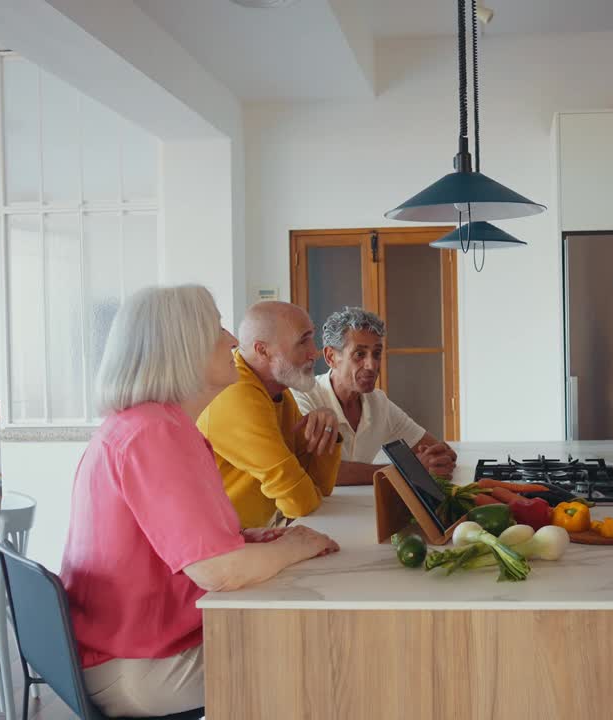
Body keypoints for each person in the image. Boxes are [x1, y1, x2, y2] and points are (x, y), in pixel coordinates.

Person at [59, 285, 339, 718]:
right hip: (145, 665)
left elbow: (176, 547)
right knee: (330, 655)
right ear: (181, 347)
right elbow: (218, 571)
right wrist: (296, 544)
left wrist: (248, 539)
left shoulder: (145, 424)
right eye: (217, 329)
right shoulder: (156, 434)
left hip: (126, 646)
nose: (232, 340)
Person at [197, 301, 342, 528]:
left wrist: (327, 425)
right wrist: (305, 490)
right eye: (303, 341)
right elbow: (299, 500)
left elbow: (320, 487)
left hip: (249, 535)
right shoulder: (237, 395)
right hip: (216, 546)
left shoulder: (276, 392)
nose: (315, 352)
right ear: (262, 351)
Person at [292, 307, 457, 485]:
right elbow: (315, 470)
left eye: (376, 354)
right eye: (359, 354)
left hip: (359, 507)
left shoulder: (378, 402)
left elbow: (441, 451)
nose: (372, 365)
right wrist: (408, 470)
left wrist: (437, 459)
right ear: (331, 356)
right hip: (313, 512)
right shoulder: (303, 397)